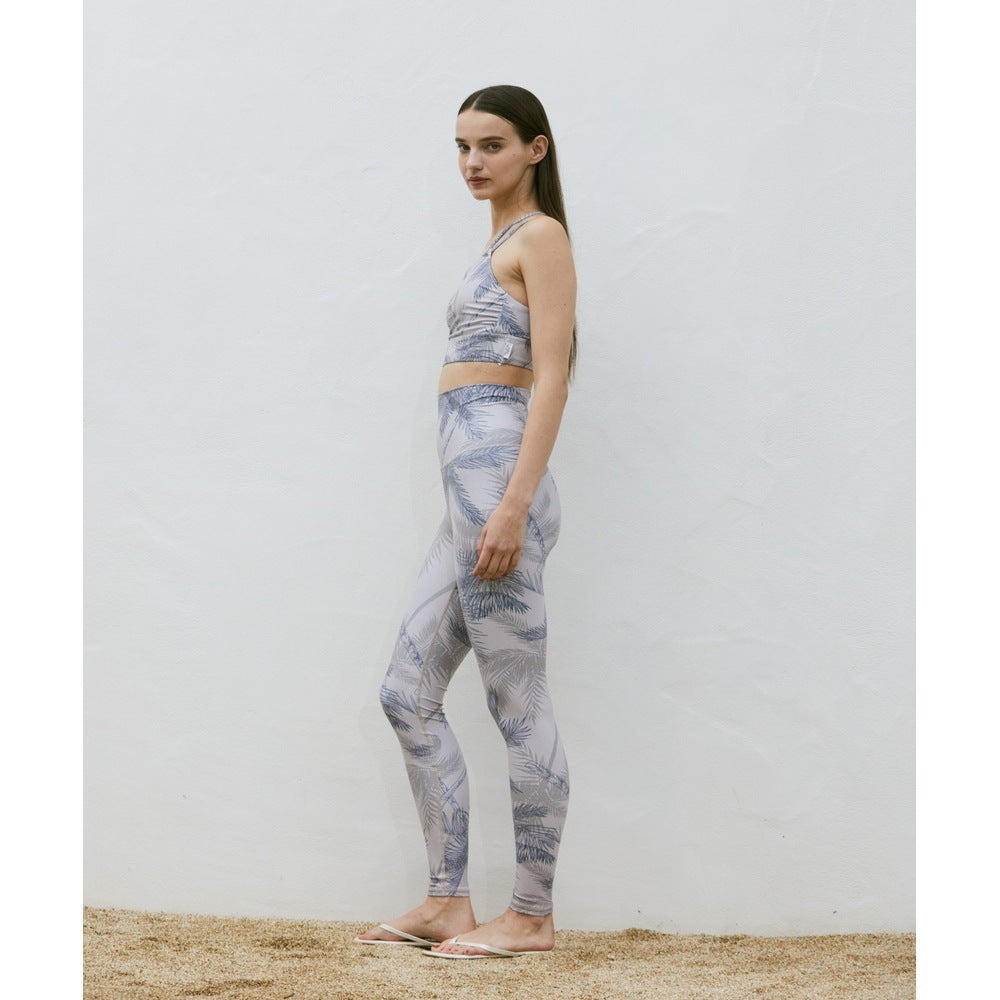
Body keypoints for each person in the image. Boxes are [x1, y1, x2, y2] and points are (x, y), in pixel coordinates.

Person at [355, 84, 577, 960]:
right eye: (461, 147)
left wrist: (514, 503)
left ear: (535, 150)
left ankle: (531, 915)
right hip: (468, 497)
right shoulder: (497, 242)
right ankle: (448, 900)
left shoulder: (541, 237)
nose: (473, 162)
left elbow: (552, 377)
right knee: (405, 693)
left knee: (516, 700)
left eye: (492, 145)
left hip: (498, 490)